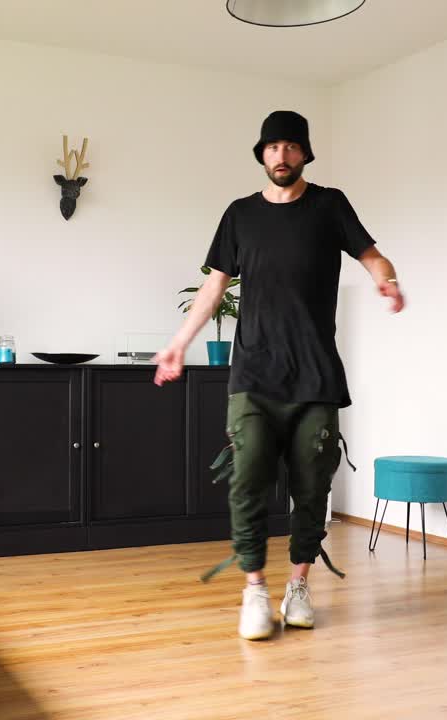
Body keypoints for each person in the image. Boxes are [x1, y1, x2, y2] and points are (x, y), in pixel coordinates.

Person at [153, 110, 404, 640]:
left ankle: (298, 586)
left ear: (304, 153)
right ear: (261, 155)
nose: (281, 156)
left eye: (291, 147)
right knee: (247, 480)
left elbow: (373, 256)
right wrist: (178, 344)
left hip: (315, 377)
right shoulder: (240, 215)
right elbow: (215, 286)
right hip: (254, 374)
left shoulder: (329, 205)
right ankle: (254, 590)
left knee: (313, 484)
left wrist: (389, 281)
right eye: (272, 147)